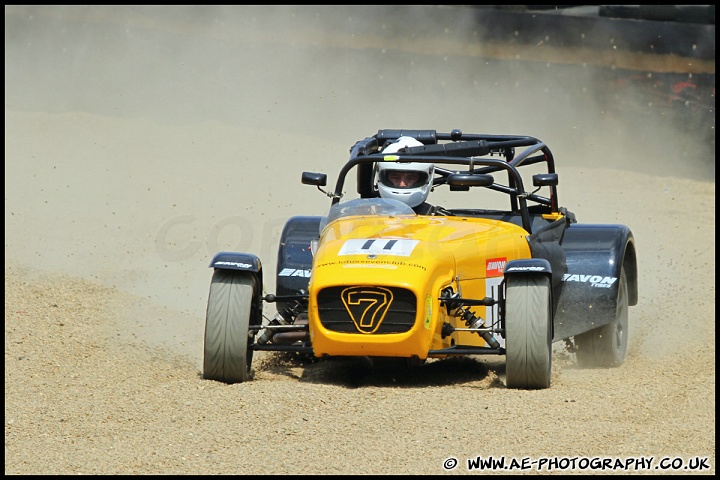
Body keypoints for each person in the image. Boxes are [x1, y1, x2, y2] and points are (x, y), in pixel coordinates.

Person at [376, 136, 446, 215]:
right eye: (395, 177)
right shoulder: (367, 215)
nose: (402, 184)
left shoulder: (438, 220)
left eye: (411, 177)